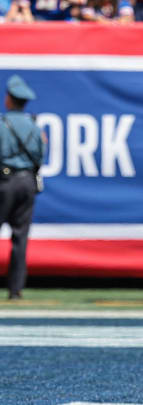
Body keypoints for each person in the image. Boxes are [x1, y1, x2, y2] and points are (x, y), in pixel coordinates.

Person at [0, 75, 45, 300]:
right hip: (27, 183)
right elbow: (40, 156)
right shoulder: (34, 128)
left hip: (4, 182)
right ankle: (15, 290)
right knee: (20, 237)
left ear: (9, 99)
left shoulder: (1, 124)